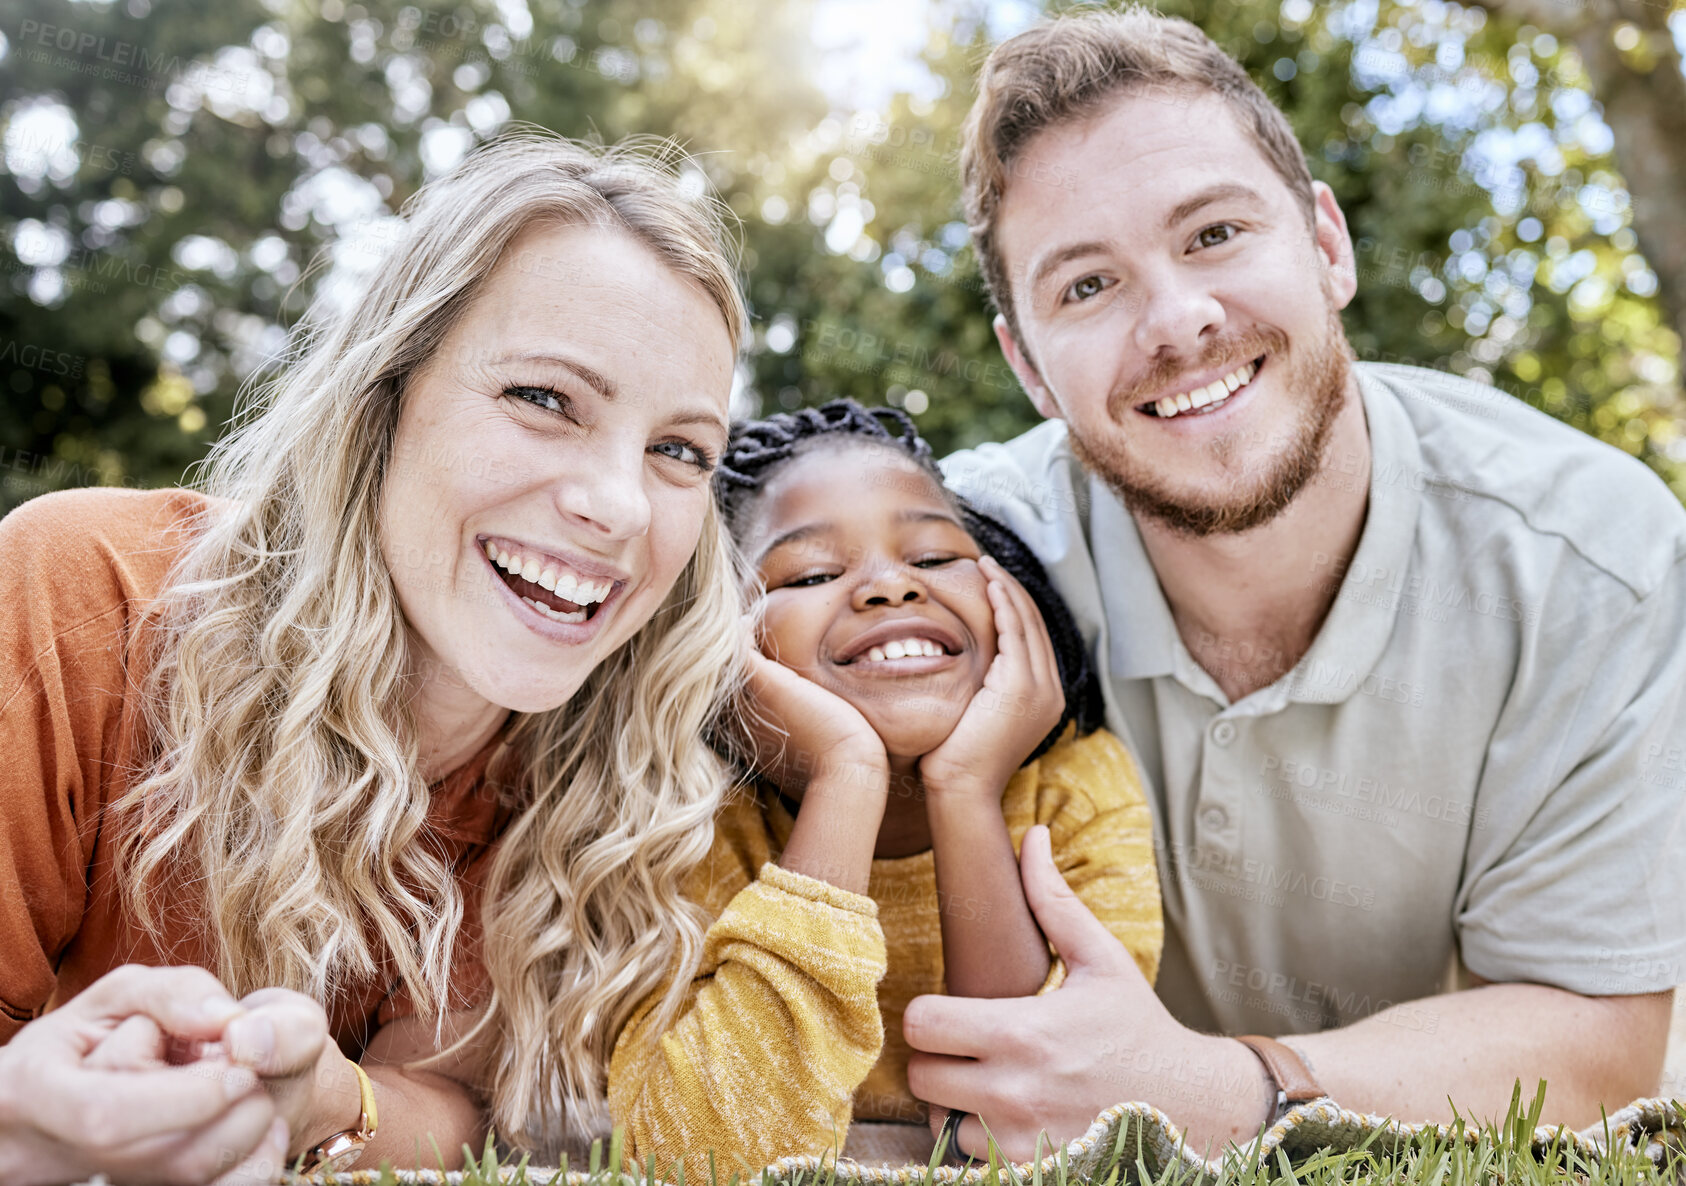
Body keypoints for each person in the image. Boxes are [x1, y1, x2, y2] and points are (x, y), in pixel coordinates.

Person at [903, 5, 1686, 1162]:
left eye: (1215, 233)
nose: (1178, 321)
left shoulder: (1595, 561)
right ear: (1026, 365)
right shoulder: (956, 562)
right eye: (1085, 288)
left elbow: (1597, 1039)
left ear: (1327, 245)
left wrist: (1217, 1092)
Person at [0, 133, 748, 1185]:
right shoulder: (83, 592)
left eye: (679, 451)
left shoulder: (585, 769)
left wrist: (319, 1100)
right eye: (544, 398)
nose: (620, 505)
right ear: (385, 394)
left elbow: (447, 1104)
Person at [606, 400, 1163, 1175]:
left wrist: (965, 790)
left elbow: (1046, 1130)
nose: (888, 587)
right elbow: (697, 1156)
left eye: (934, 558)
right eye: (813, 573)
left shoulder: (1078, 785)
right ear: (718, 638)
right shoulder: (683, 820)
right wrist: (846, 776)